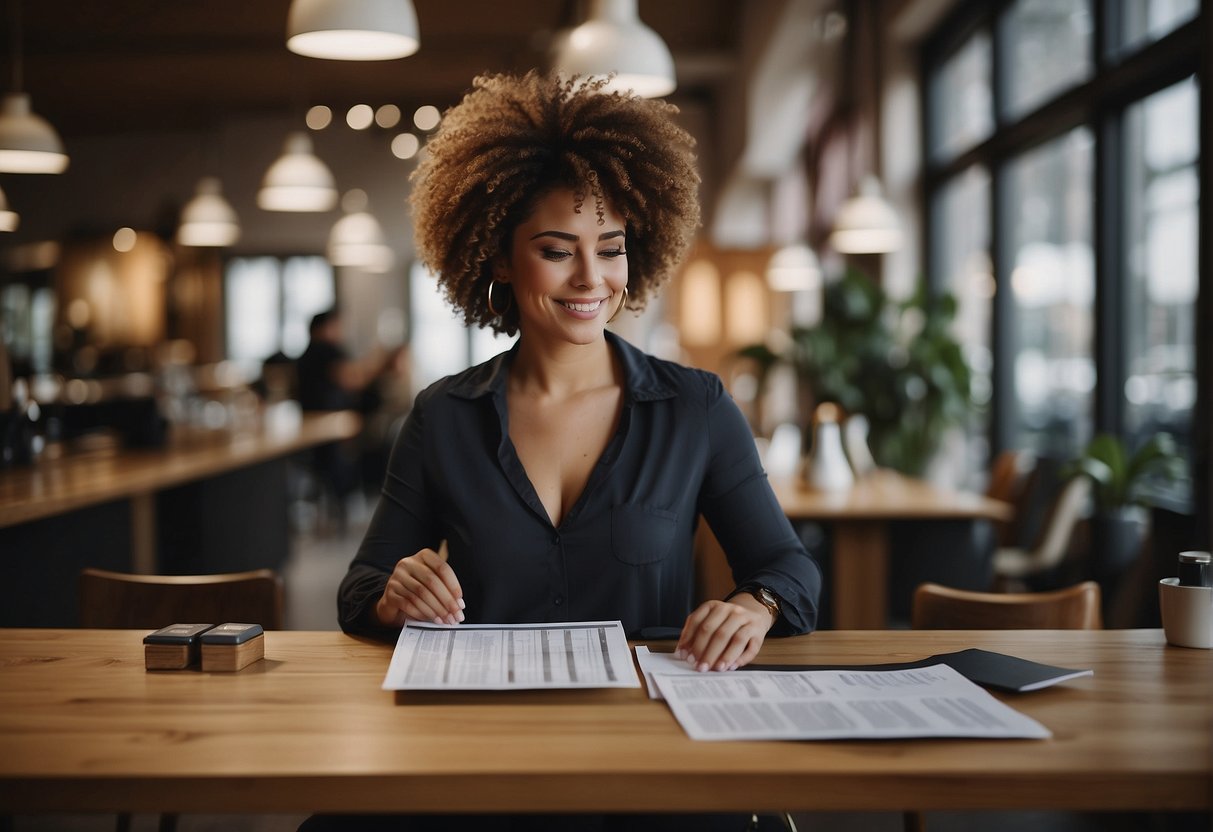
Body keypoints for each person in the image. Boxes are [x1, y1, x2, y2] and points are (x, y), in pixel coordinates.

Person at [323, 72, 821, 832]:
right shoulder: (443, 416)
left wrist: (754, 605)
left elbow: (791, 573)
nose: (592, 279)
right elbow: (359, 588)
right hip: (481, 755)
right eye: (557, 251)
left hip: (648, 754)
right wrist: (395, 593)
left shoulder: (695, 408)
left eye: (611, 249)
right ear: (496, 259)